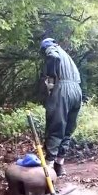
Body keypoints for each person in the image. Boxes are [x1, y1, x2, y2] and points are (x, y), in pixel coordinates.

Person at [38, 38, 82, 177]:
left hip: (63, 89)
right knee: (68, 129)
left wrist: (51, 78)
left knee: (55, 126)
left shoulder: (52, 49)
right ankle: (59, 166)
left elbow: (52, 57)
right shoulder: (67, 56)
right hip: (77, 90)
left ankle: (49, 168)